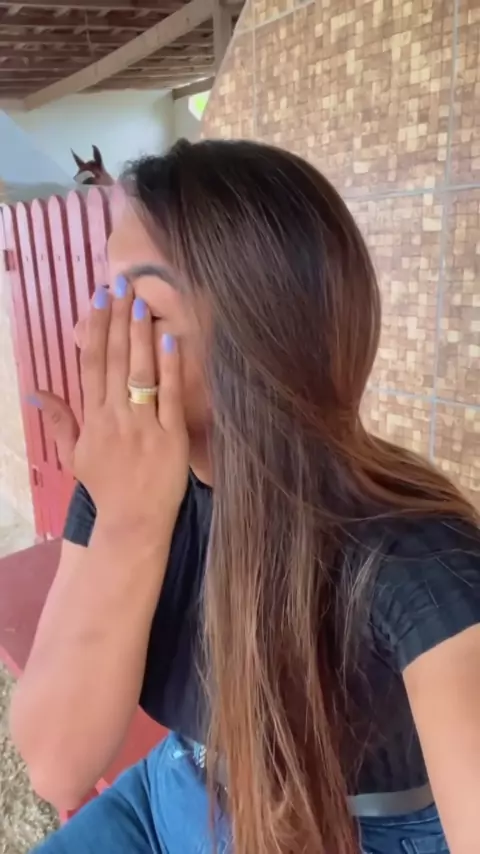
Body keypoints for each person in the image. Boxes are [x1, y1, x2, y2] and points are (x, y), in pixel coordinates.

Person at [11, 139, 480, 854]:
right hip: (173, 788)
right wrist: (131, 524)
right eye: (104, 299)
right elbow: (56, 764)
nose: (87, 334)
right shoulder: (125, 485)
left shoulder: (415, 558)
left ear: (266, 344)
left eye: (141, 310)